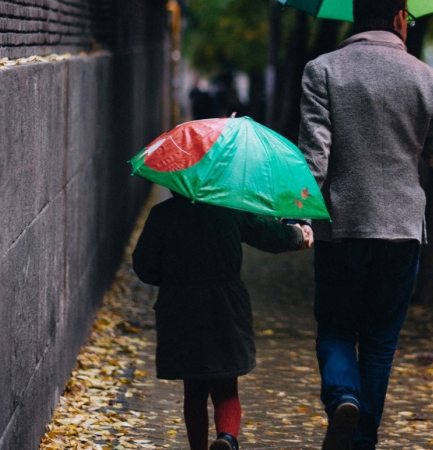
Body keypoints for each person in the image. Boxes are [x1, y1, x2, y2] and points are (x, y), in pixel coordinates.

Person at [297, 0, 433, 447]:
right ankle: (362, 439)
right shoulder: (429, 78)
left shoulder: (322, 70)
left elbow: (315, 155)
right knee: (381, 344)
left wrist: (297, 214)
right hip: (401, 227)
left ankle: (343, 396)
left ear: (354, 15)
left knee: (335, 328)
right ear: (400, 17)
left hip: (342, 223)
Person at [132, 191, 313, 450]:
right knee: (226, 384)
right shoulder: (230, 209)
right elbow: (265, 234)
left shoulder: (162, 214)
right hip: (226, 306)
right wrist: (297, 235)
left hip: (180, 308)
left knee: (193, 389)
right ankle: (227, 438)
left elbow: (143, 265)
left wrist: (173, 280)